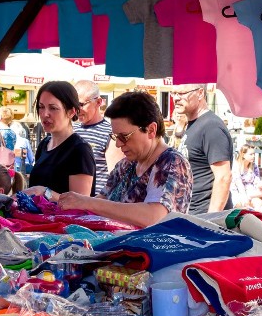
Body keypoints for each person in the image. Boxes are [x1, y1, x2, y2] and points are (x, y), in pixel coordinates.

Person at [58, 91, 192, 227]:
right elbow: (101, 200)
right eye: (115, 137)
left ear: (151, 130)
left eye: (124, 136)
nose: (118, 144)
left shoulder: (171, 162)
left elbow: (154, 216)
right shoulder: (125, 165)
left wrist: (88, 202)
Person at [22, 81, 95, 199]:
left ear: (72, 112)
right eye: (41, 107)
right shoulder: (44, 144)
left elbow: (80, 203)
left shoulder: (79, 150)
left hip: (64, 217)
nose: (45, 114)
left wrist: (44, 192)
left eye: (53, 108)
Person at [173, 85, 232, 214]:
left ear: (200, 93)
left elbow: (223, 177)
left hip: (203, 213)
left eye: (182, 93)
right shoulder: (194, 124)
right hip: (190, 211)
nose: (176, 98)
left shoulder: (211, 126)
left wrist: (209, 220)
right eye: (174, 93)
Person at [73, 80, 124, 194]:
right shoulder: (72, 130)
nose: (77, 110)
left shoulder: (110, 132)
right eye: (74, 105)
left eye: (81, 104)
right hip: (73, 201)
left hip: (96, 204)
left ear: (99, 102)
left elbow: (116, 178)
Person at [230, 144, 262, 209]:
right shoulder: (236, 166)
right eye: (251, 154)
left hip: (252, 191)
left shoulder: (254, 166)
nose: (253, 156)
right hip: (239, 192)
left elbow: (256, 180)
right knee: (257, 202)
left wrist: (260, 184)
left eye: (254, 154)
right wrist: (244, 197)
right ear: (243, 155)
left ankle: (253, 204)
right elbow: (239, 184)